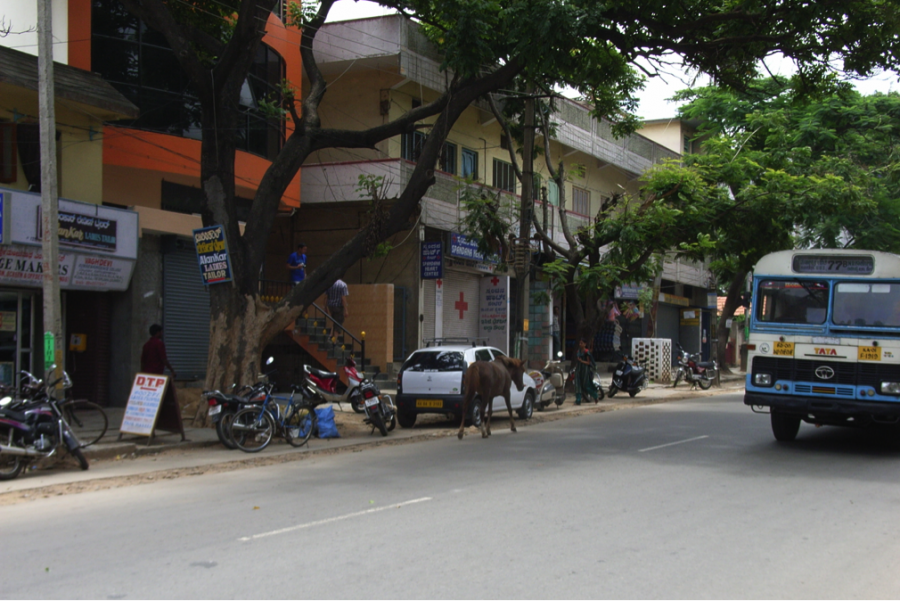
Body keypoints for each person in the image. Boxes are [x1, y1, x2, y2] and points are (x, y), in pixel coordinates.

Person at [140, 324, 185, 440]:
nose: (162, 334)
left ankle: (147, 429)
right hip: (156, 379)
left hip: (146, 378)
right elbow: (164, 359)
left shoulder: (146, 345)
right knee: (155, 404)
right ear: (157, 333)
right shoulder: (159, 344)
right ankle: (151, 430)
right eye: (161, 332)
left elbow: (143, 362)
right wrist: (172, 370)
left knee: (147, 404)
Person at [574, 338, 599, 405]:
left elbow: (588, 362)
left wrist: (581, 361)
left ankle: (595, 396)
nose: (580, 344)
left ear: (585, 344)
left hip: (584, 369)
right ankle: (578, 400)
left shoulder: (586, 352)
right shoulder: (578, 351)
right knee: (577, 384)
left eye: (582, 343)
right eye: (580, 343)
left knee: (585, 386)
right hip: (578, 369)